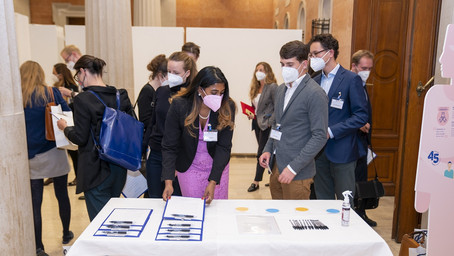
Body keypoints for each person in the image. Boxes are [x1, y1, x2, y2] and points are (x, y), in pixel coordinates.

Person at [57, 55, 134, 221]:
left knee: (101, 224)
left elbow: (80, 138)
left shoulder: (83, 99)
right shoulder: (121, 95)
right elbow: (133, 126)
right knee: (113, 218)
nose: (79, 80)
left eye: (78, 75)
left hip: (95, 168)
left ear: (84, 71)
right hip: (119, 167)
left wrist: (66, 128)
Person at [259, 41, 329, 200]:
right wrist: (268, 148)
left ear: (304, 64)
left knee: (294, 220)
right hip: (277, 166)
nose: (285, 69)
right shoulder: (281, 89)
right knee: (277, 214)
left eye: (290, 64)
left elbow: (319, 136)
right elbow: (277, 124)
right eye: (282, 64)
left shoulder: (315, 93)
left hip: (298, 172)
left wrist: (293, 168)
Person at [21, 61, 73, 256]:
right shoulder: (52, 93)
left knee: (35, 202)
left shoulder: (18, 97)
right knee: (62, 195)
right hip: (54, 151)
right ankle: (66, 233)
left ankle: (38, 246)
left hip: (29, 156)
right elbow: (67, 115)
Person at [162, 66, 236, 204]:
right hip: (190, 167)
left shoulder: (227, 106)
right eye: (214, 92)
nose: (218, 97)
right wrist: (168, 181)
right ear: (199, 89)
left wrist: (213, 181)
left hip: (217, 166)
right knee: (193, 208)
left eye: (222, 92)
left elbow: (224, 147)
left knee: (216, 210)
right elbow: (169, 145)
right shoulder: (180, 105)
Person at [309, 34, 368, 205]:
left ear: (330, 53)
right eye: (310, 55)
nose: (312, 58)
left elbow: (361, 116)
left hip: (343, 152)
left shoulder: (351, 79)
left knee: (344, 203)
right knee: (323, 202)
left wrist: (331, 131)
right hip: (319, 153)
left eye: (315, 53)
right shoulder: (314, 80)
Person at [147, 52, 197, 198]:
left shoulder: (192, 97)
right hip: (156, 154)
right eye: (169, 71)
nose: (171, 76)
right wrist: (145, 148)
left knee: (178, 202)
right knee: (155, 199)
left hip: (178, 157)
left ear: (187, 73)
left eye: (176, 72)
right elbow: (153, 122)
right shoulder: (162, 91)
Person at [351, 49, 377, 226]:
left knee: (361, 179)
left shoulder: (363, 85)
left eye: (369, 68)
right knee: (350, 181)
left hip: (363, 142)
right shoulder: (348, 83)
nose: (366, 72)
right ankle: (354, 213)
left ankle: (361, 213)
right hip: (350, 141)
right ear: (354, 66)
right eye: (363, 67)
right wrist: (358, 123)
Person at [136, 54, 167, 197]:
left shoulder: (161, 92)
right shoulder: (147, 91)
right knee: (150, 188)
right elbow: (145, 120)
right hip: (149, 144)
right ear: (160, 75)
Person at [246, 62, 278, 192]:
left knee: (261, 152)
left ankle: (256, 181)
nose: (258, 72)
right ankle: (273, 178)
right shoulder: (255, 87)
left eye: (261, 70)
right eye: (257, 69)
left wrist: (271, 121)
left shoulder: (273, 87)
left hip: (267, 125)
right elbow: (256, 108)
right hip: (257, 123)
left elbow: (278, 106)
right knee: (267, 152)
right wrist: (250, 113)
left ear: (267, 72)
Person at [53, 63, 80, 187]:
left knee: (76, 154)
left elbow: (76, 105)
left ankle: (79, 178)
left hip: (72, 121)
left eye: (55, 73)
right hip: (61, 121)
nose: (54, 76)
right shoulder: (55, 87)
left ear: (61, 73)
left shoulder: (72, 87)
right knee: (69, 152)